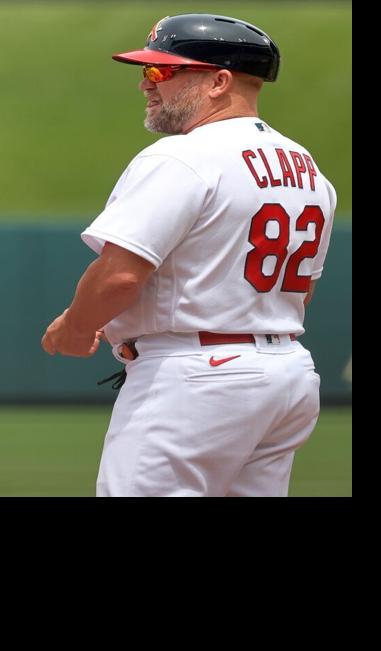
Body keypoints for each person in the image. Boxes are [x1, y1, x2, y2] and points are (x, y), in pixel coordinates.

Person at [41, 13, 336, 498]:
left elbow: (119, 277)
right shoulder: (307, 168)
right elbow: (303, 288)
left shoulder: (182, 157)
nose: (145, 84)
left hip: (197, 378)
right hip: (288, 376)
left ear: (219, 81)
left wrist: (75, 327)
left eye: (163, 71)